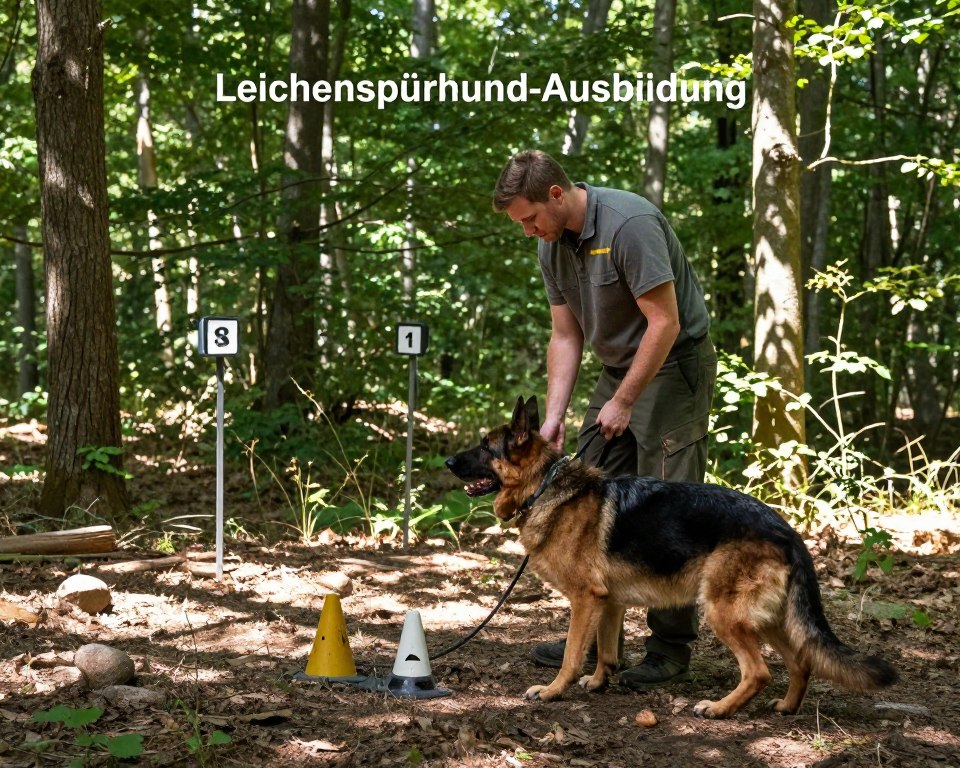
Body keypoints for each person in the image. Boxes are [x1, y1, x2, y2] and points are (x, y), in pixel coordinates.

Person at [492, 150, 718, 689]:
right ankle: (592, 637)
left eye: (530, 219)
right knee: (584, 487)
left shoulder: (628, 224)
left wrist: (626, 400)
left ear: (556, 194)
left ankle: (668, 649)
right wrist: (552, 418)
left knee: (668, 503)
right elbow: (565, 336)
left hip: (673, 364)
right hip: (617, 368)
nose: (528, 231)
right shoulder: (551, 245)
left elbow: (665, 323)